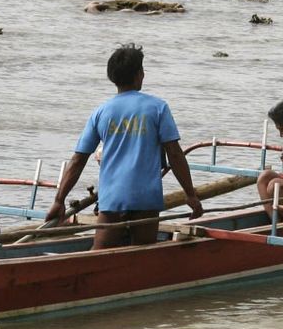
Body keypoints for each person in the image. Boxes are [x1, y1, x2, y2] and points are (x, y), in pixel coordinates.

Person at [42, 44, 203, 248]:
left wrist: (59, 199)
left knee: (99, 252)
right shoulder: (158, 108)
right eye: (142, 71)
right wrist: (190, 194)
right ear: (138, 75)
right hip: (146, 197)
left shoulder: (101, 112)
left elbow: (78, 159)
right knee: (142, 254)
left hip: (112, 198)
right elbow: (175, 154)